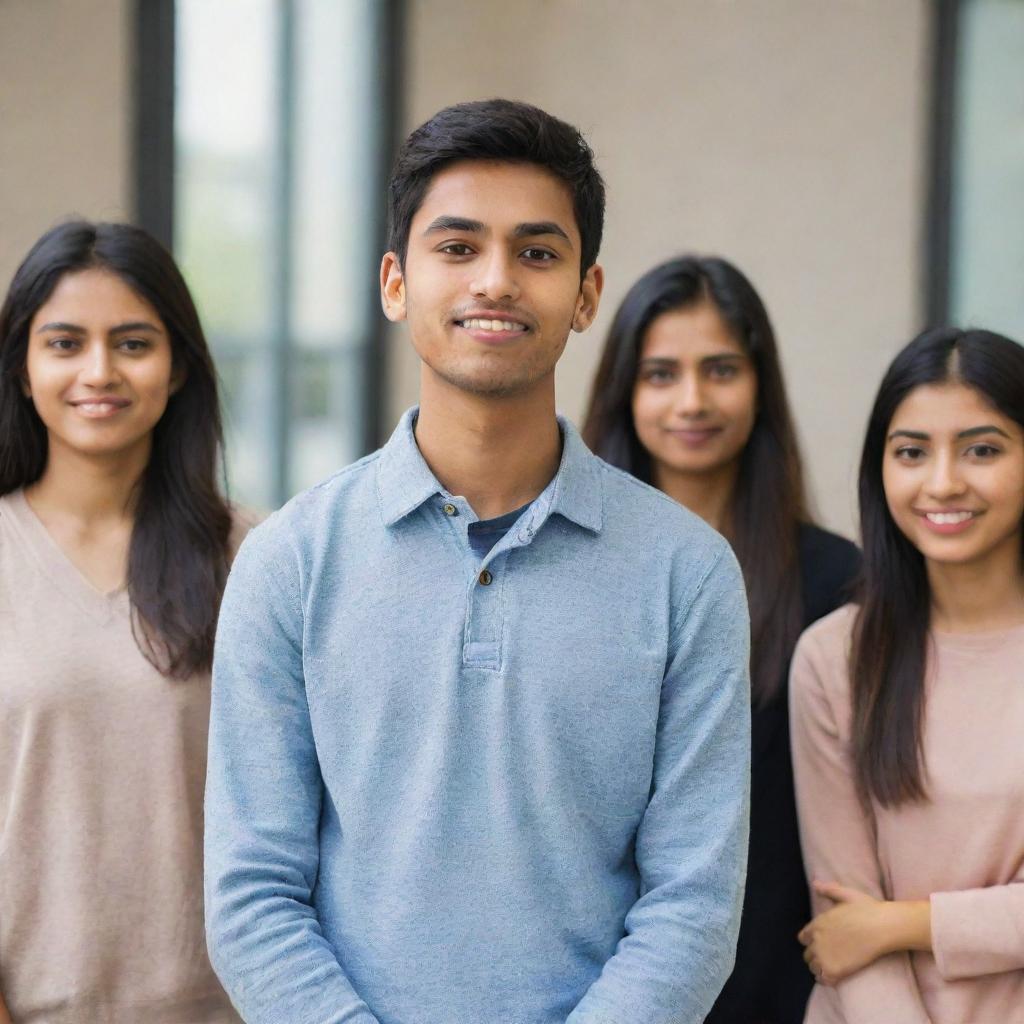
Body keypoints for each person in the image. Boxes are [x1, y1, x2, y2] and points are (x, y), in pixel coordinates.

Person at [204, 99, 751, 1024]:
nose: (495, 280)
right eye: (456, 247)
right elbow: (252, 895)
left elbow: (692, 903)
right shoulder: (288, 561)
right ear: (394, 282)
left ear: (585, 294)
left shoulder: (686, 571)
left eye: (537, 253)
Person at [582, 255, 860, 1023]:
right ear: (624, 390)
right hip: (597, 984)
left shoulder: (837, 580)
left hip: (777, 979)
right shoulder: (566, 572)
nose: (692, 401)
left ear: (760, 384)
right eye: (661, 373)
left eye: (721, 370)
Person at [0, 221, 253, 1022]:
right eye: (65, 343)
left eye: (133, 343)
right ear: (22, 367)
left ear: (178, 367)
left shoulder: (259, 556)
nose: (99, 372)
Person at [791, 327, 1024, 1023]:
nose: (943, 482)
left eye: (982, 449)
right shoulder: (836, 657)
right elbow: (841, 932)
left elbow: (868, 930)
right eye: (912, 453)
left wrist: (903, 923)